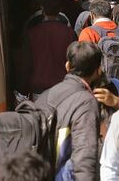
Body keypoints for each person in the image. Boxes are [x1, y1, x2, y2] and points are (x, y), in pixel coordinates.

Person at [35, 42, 102, 181]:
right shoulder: (86, 102)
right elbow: (84, 155)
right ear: (98, 71)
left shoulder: (46, 95)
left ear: (67, 66)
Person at [21, 0, 77, 97]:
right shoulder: (69, 33)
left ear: (42, 8)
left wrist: (23, 87)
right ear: (60, 9)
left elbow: (26, 63)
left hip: (38, 87)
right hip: (63, 86)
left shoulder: (32, 33)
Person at [79, 0, 119, 77]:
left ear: (92, 15)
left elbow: (84, 64)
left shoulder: (88, 33)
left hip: (99, 84)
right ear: (112, 14)